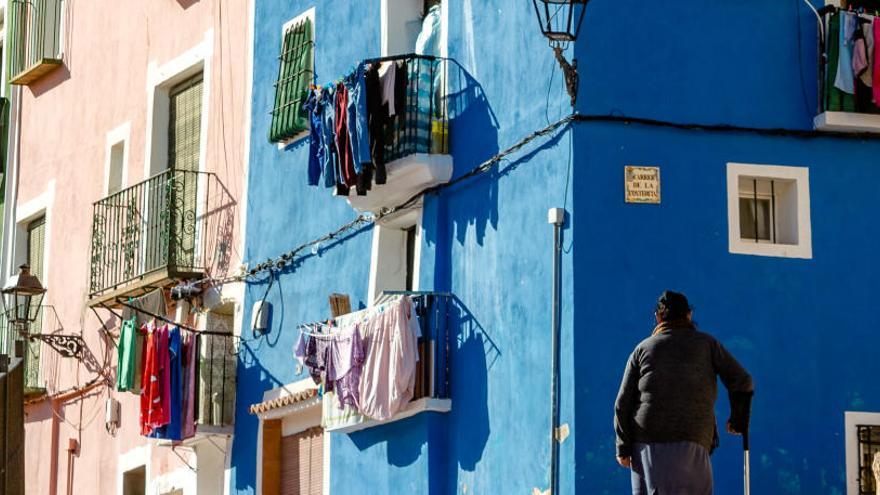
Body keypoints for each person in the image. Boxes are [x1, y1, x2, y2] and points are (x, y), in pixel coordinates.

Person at [614, 290, 754, 494]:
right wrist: (738, 419)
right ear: (688, 315)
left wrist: (623, 448)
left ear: (658, 317)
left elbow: (622, 403)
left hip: (648, 443)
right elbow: (743, 381)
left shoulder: (643, 349)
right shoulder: (707, 344)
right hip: (694, 440)